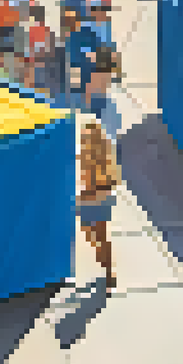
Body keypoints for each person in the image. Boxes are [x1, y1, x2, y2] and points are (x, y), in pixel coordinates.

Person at [79, 112, 120, 289]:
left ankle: (108, 270)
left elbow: (110, 180)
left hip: (95, 199)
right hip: (96, 199)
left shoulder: (101, 157)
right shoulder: (87, 154)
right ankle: (106, 266)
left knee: (98, 235)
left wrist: (90, 191)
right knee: (94, 233)